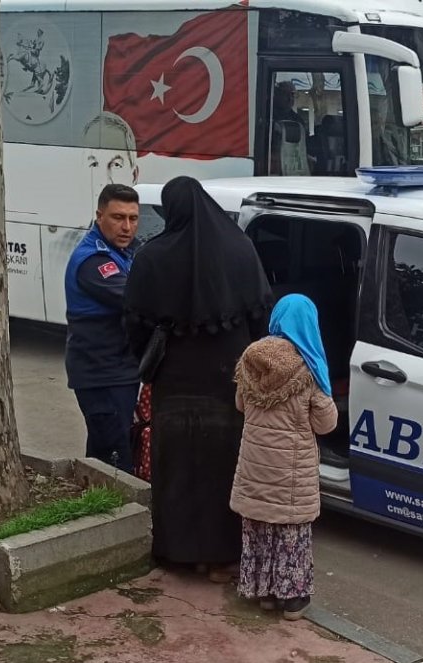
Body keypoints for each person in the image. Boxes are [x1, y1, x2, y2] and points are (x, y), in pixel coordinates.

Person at [124, 176, 273, 582]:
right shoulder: (240, 248)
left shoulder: (152, 257)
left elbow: (135, 322)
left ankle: (178, 551)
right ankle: (223, 555)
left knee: (178, 463)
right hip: (229, 378)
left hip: (175, 380)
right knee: (224, 464)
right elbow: (260, 314)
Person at [230, 294, 338, 620]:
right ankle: (292, 600)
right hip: (290, 475)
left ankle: (263, 593)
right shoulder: (308, 369)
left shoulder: (251, 362)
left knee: (259, 528)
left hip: (255, 468)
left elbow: (240, 405)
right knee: (290, 533)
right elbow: (326, 423)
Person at [64, 183, 142, 473]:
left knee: (103, 447)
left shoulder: (122, 252)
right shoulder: (94, 261)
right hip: (102, 374)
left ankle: (95, 501)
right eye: (117, 217)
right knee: (116, 456)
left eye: (133, 219)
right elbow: (136, 298)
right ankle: (119, 514)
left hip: (116, 371)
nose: (126, 227)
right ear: (99, 216)